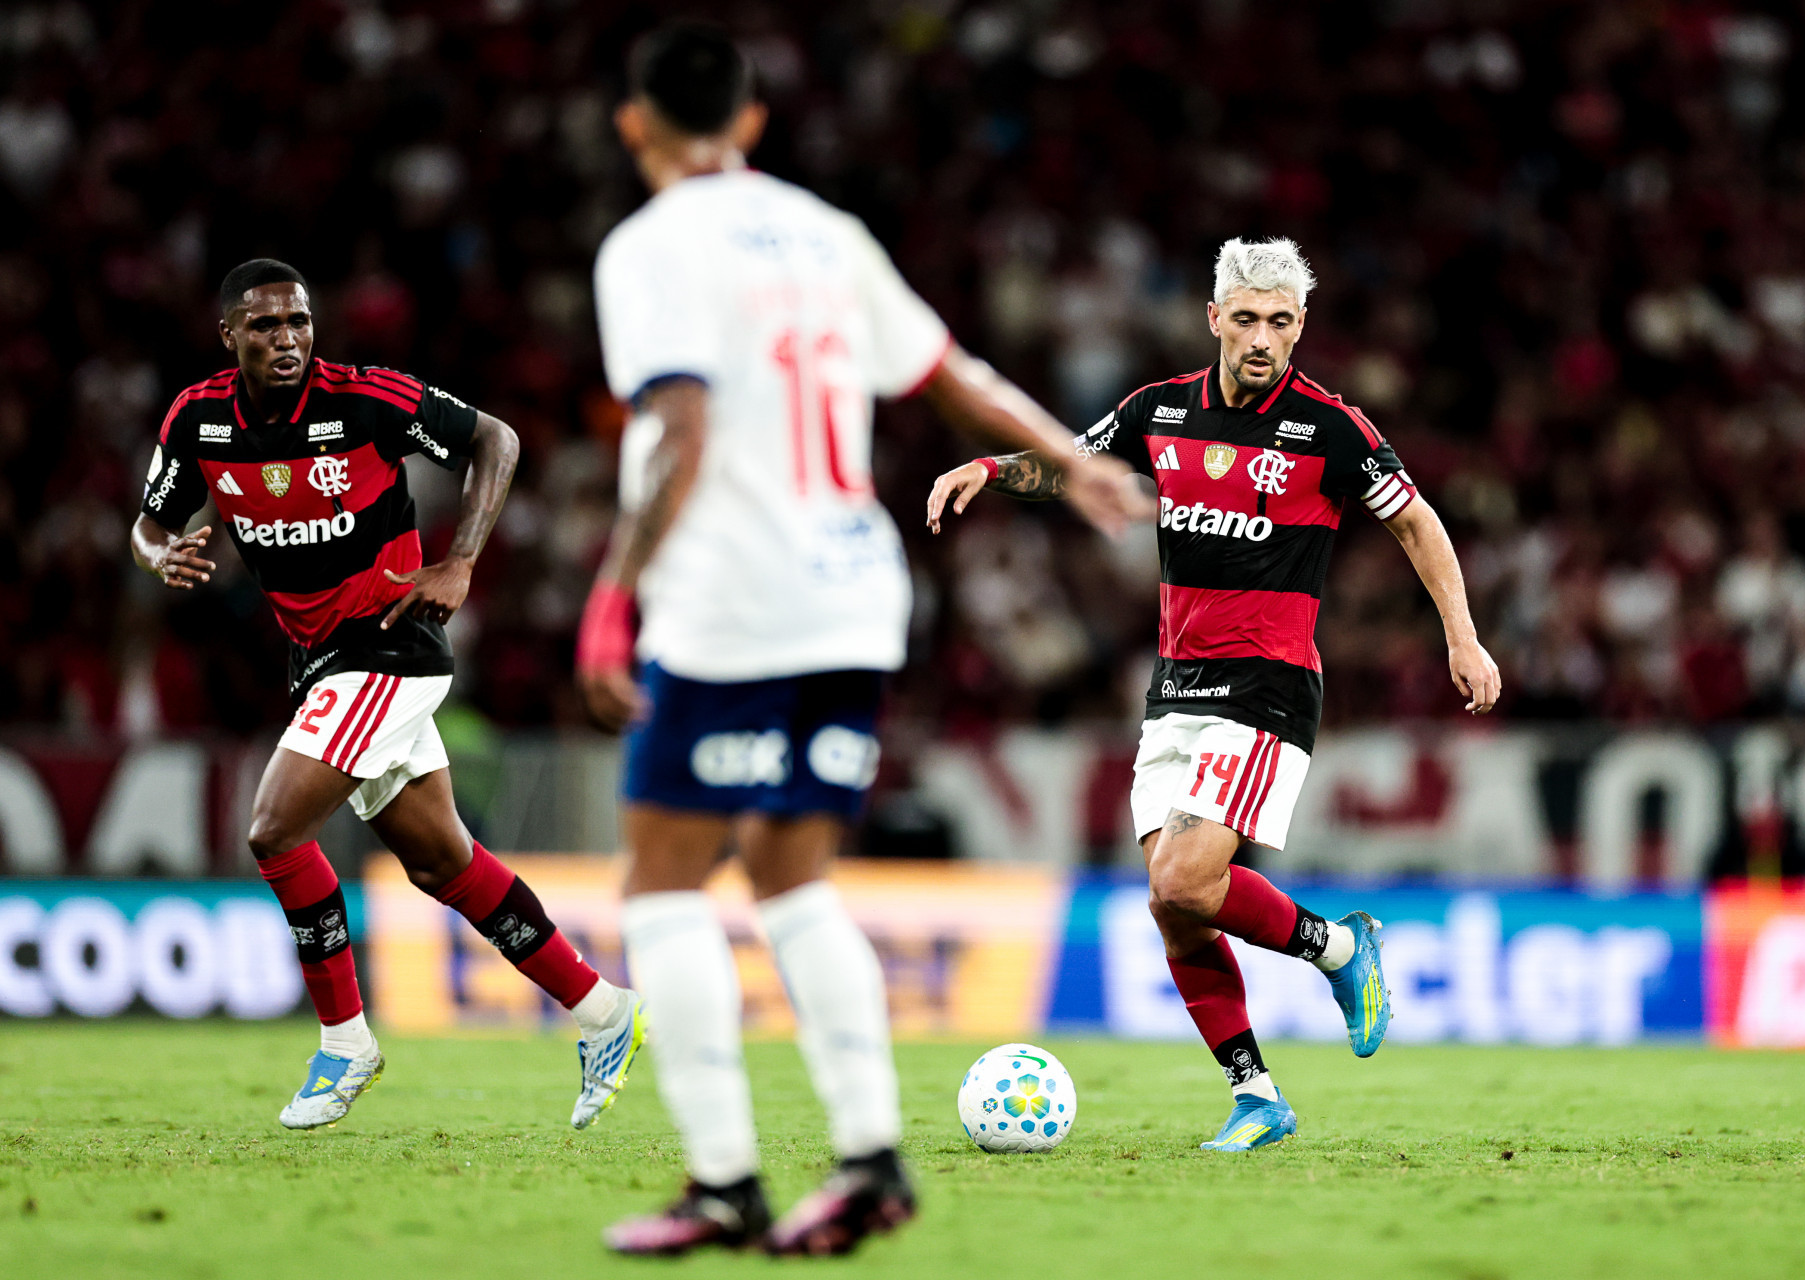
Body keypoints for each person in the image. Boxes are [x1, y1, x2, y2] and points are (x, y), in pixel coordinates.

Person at [577, 24, 1147, 1257]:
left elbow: (680, 425)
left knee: (665, 885)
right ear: (754, 120)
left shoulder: (647, 250)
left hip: (732, 598)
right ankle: (872, 1163)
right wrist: (1071, 458)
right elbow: (950, 369)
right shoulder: (829, 234)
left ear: (634, 124)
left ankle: (725, 1181)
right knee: (793, 877)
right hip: (852, 592)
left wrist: (611, 595)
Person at [928, 236, 1502, 1152]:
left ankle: (1343, 951)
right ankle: (1257, 1095)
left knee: (1187, 878)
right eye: (1246, 319)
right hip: (1176, 692)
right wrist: (991, 471)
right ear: (1214, 320)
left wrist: (1462, 636)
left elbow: (1419, 525)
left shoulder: (1333, 429)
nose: (1263, 338)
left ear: (1301, 326)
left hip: (1270, 687)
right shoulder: (1158, 411)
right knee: (1174, 904)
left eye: (1281, 321)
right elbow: (1076, 470)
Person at [131, 258, 643, 1132]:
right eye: (264, 326)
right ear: (230, 337)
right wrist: (157, 551)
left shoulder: (365, 398)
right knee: (442, 861)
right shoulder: (199, 420)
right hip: (318, 660)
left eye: (298, 321)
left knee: (273, 828)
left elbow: (497, 439)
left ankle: (345, 1043)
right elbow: (152, 518)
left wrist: (462, 560)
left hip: (389, 645)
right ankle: (603, 1012)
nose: (287, 339)